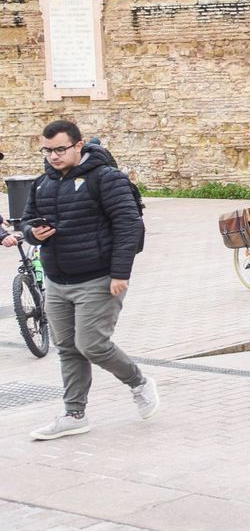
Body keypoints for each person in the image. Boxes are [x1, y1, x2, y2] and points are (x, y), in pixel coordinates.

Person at [24, 120, 156, 441]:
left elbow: (129, 225)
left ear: (78, 145)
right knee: (67, 348)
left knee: (92, 344)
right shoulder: (42, 183)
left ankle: (138, 381)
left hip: (98, 278)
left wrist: (120, 273)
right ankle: (74, 414)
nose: (53, 156)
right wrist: (33, 232)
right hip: (56, 280)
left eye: (60, 149)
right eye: (47, 149)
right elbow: (26, 219)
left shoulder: (106, 179)